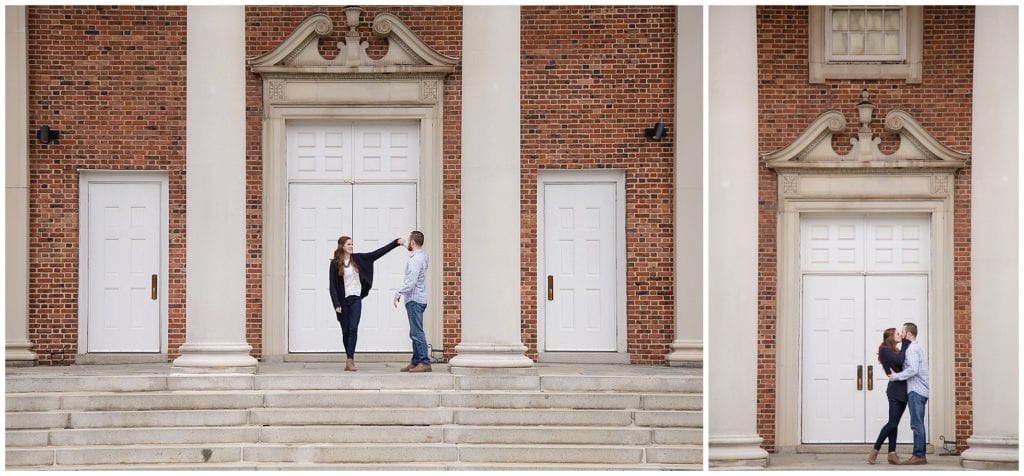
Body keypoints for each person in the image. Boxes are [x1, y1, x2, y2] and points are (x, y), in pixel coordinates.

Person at [329, 235, 405, 371]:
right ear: (342, 247)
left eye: (352, 244)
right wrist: (336, 304)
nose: (351, 246)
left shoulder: (358, 259)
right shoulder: (335, 263)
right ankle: (348, 357)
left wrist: (395, 243)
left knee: (353, 329)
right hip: (342, 302)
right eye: (348, 244)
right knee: (345, 331)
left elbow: (377, 253)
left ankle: (350, 359)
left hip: (356, 299)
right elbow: (332, 286)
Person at [888, 322, 929, 465]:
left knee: (916, 424)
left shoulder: (911, 349)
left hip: (916, 390)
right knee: (919, 423)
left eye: (903, 332)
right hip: (920, 390)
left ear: (909, 334)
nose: (901, 334)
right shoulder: (915, 348)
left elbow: (913, 369)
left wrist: (896, 376)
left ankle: (918, 455)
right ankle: (920, 454)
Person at [869, 327, 911, 465]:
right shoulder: (884, 350)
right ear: (891, 337)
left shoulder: (895, 351)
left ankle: (892, 454)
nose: (900, 335)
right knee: (892, 423)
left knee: (894, 423)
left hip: (902, 390)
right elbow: (899, 362)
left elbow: (902, 363)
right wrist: (905, 343)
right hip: (895, 391)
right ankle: (875, 449)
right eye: (898, 334)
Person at [394, 231, 430, 373]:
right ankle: (415, 361)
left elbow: (411, 282)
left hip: (414, 299)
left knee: (417, 333)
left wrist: (398, 293)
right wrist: (402, 243)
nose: (408, 243)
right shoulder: (422, 256)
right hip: (418, 299)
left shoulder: (415, 260)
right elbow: (412, 249)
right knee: (414, 331)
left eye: (409, 241)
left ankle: (424, 362)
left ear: (413, 242)